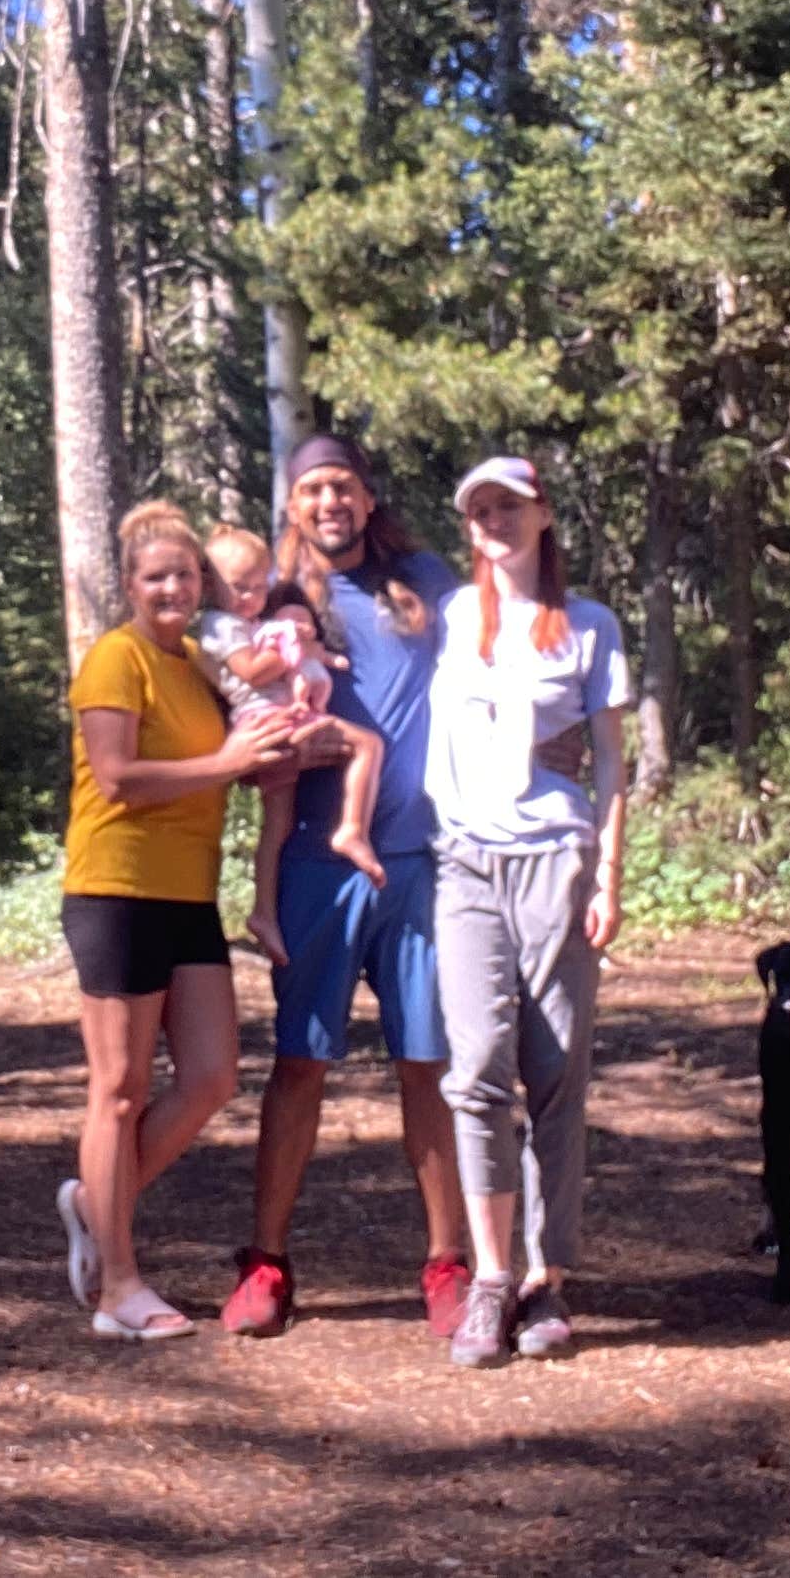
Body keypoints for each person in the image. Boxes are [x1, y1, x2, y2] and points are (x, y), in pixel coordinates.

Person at [220, 436, 473, 1342]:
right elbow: (238, 719)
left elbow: (496, 668)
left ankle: (449, 1265)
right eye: (311, 490)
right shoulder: (279, 604)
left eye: (343, 488)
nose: (328, 503)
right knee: (300, 1062)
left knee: (428, 1062)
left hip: (422, 862)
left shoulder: (424, 587)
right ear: (292, 508)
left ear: (368, 500)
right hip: (315, 871)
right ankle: (266, 1263)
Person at [52, 500, 301, 1340]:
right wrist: (227, 762)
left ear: (203, 584)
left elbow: (246, 740)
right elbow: (118, 777)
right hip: (115, 890)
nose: (173, 588)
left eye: (186, 575)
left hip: (188, 895)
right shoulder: (114, 661)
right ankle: (118, 1288)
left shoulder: (200, 661)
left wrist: (287, 749)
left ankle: (95, 1203)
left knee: (211, 1077)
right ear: (129, 585)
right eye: (156, 577)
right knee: (118, 1091)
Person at [425, 453, 633, 1369]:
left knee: (553, 1073)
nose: (495, 523)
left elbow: (613, 763)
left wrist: (611, 872)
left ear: (544, 516)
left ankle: (548, 1279)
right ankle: (490, 1278)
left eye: (511, 507)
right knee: (474, 1070)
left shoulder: (589, 628)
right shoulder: (457, 617)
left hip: (557, 863)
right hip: (466, 864)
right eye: (480, 511)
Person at [193, 529, 387, 960]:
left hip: (272, 720)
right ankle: (351, 829)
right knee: (368, 744)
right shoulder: (219, 624)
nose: (253, 596)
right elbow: (252, 672)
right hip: (268, 720)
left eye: (260, 586)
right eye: (240, 587)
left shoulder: (243, 622)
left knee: (276, 827)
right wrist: (294, 645)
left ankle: (262, 911)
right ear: (211, 585)